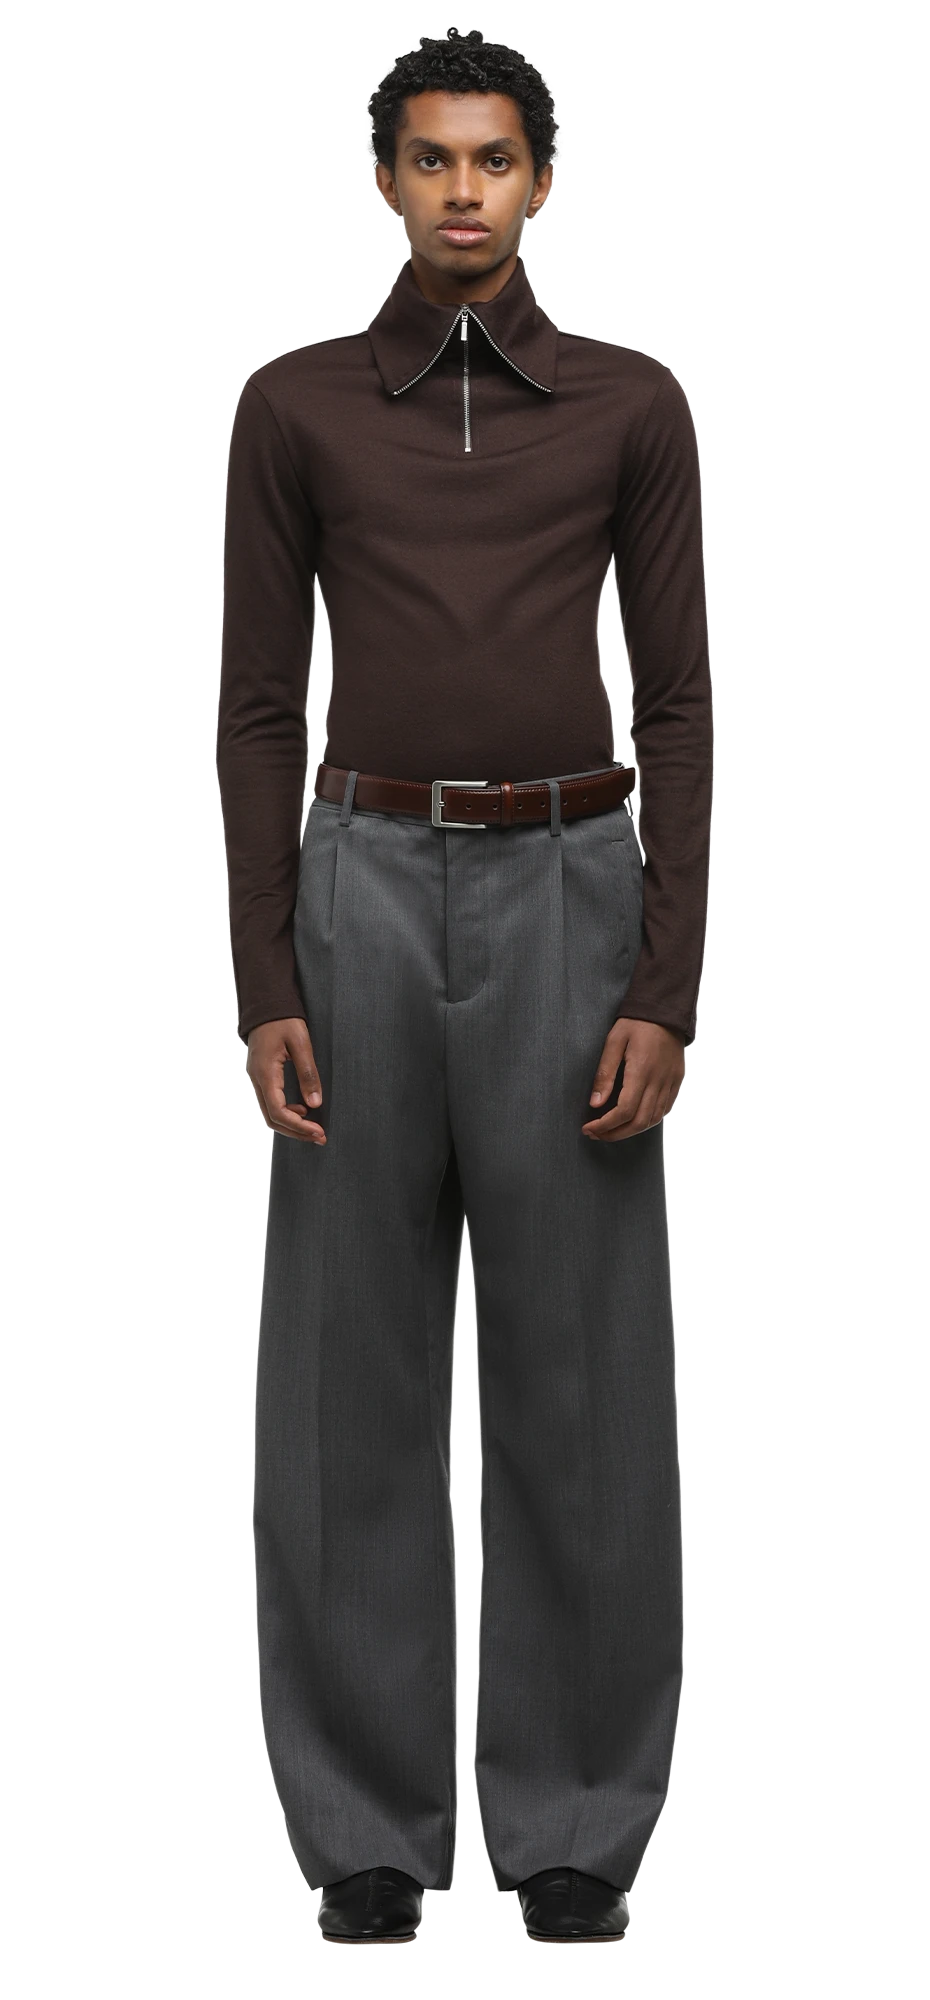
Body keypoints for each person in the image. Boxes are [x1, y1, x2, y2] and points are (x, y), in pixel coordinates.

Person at [216, 24, 713, 1947]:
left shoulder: (629, 408)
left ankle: (576, 1826)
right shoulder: (295, 408)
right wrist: (264, 970)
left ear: (541, 181)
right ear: (384, 182)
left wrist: (664, 980)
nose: (461, 191)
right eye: (428, 159)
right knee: (345, 1369)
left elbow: (679, 702)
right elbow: (258, 702)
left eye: (492, 159)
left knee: (581, 1368)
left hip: (573, 881)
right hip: (358, 878)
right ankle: (362, 1834)